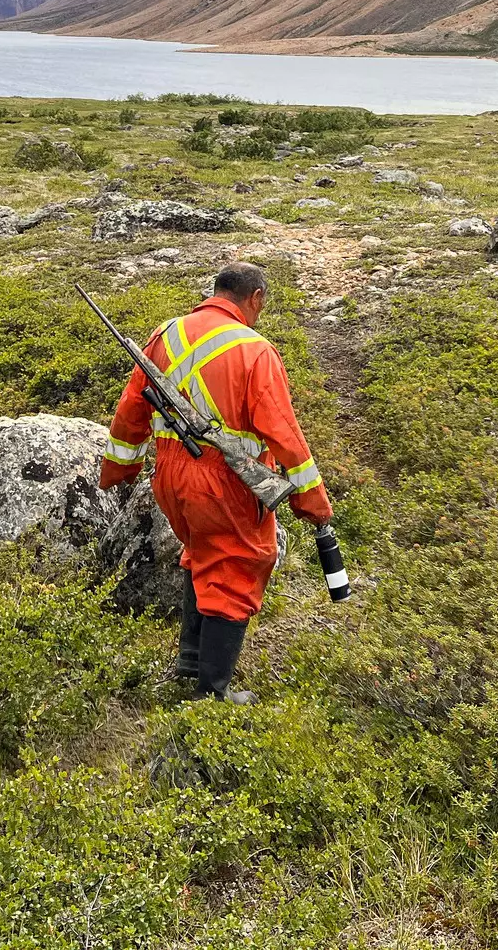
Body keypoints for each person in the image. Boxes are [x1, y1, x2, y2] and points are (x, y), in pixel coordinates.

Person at [99, 261, 333, 702]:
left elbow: (130, 411)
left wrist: (120, 469)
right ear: (256, 298)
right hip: (225, 484)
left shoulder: (166, 333)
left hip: (170, 476)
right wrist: (313, 502)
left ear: (215, 289)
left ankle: (190, 663)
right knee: (236, 565)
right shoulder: (255, 351)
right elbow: (286, 437)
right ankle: (212, 694)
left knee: (200, 553)